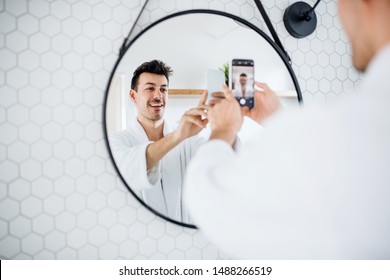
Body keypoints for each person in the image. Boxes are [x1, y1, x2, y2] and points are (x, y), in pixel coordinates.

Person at [184, 0, 390, 259]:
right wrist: (279, 121)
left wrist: (223, 130)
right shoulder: (352, 128)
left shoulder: (340, 131)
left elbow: (212, 203)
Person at [109, 60, 208, 223]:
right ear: (133, 95)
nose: (158, 95)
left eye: (163, 89)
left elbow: (219, 157)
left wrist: (226, 123)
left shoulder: (188, 140)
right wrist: (178, 136)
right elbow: (130, 168)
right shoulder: (118, 142)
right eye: (150, 88)